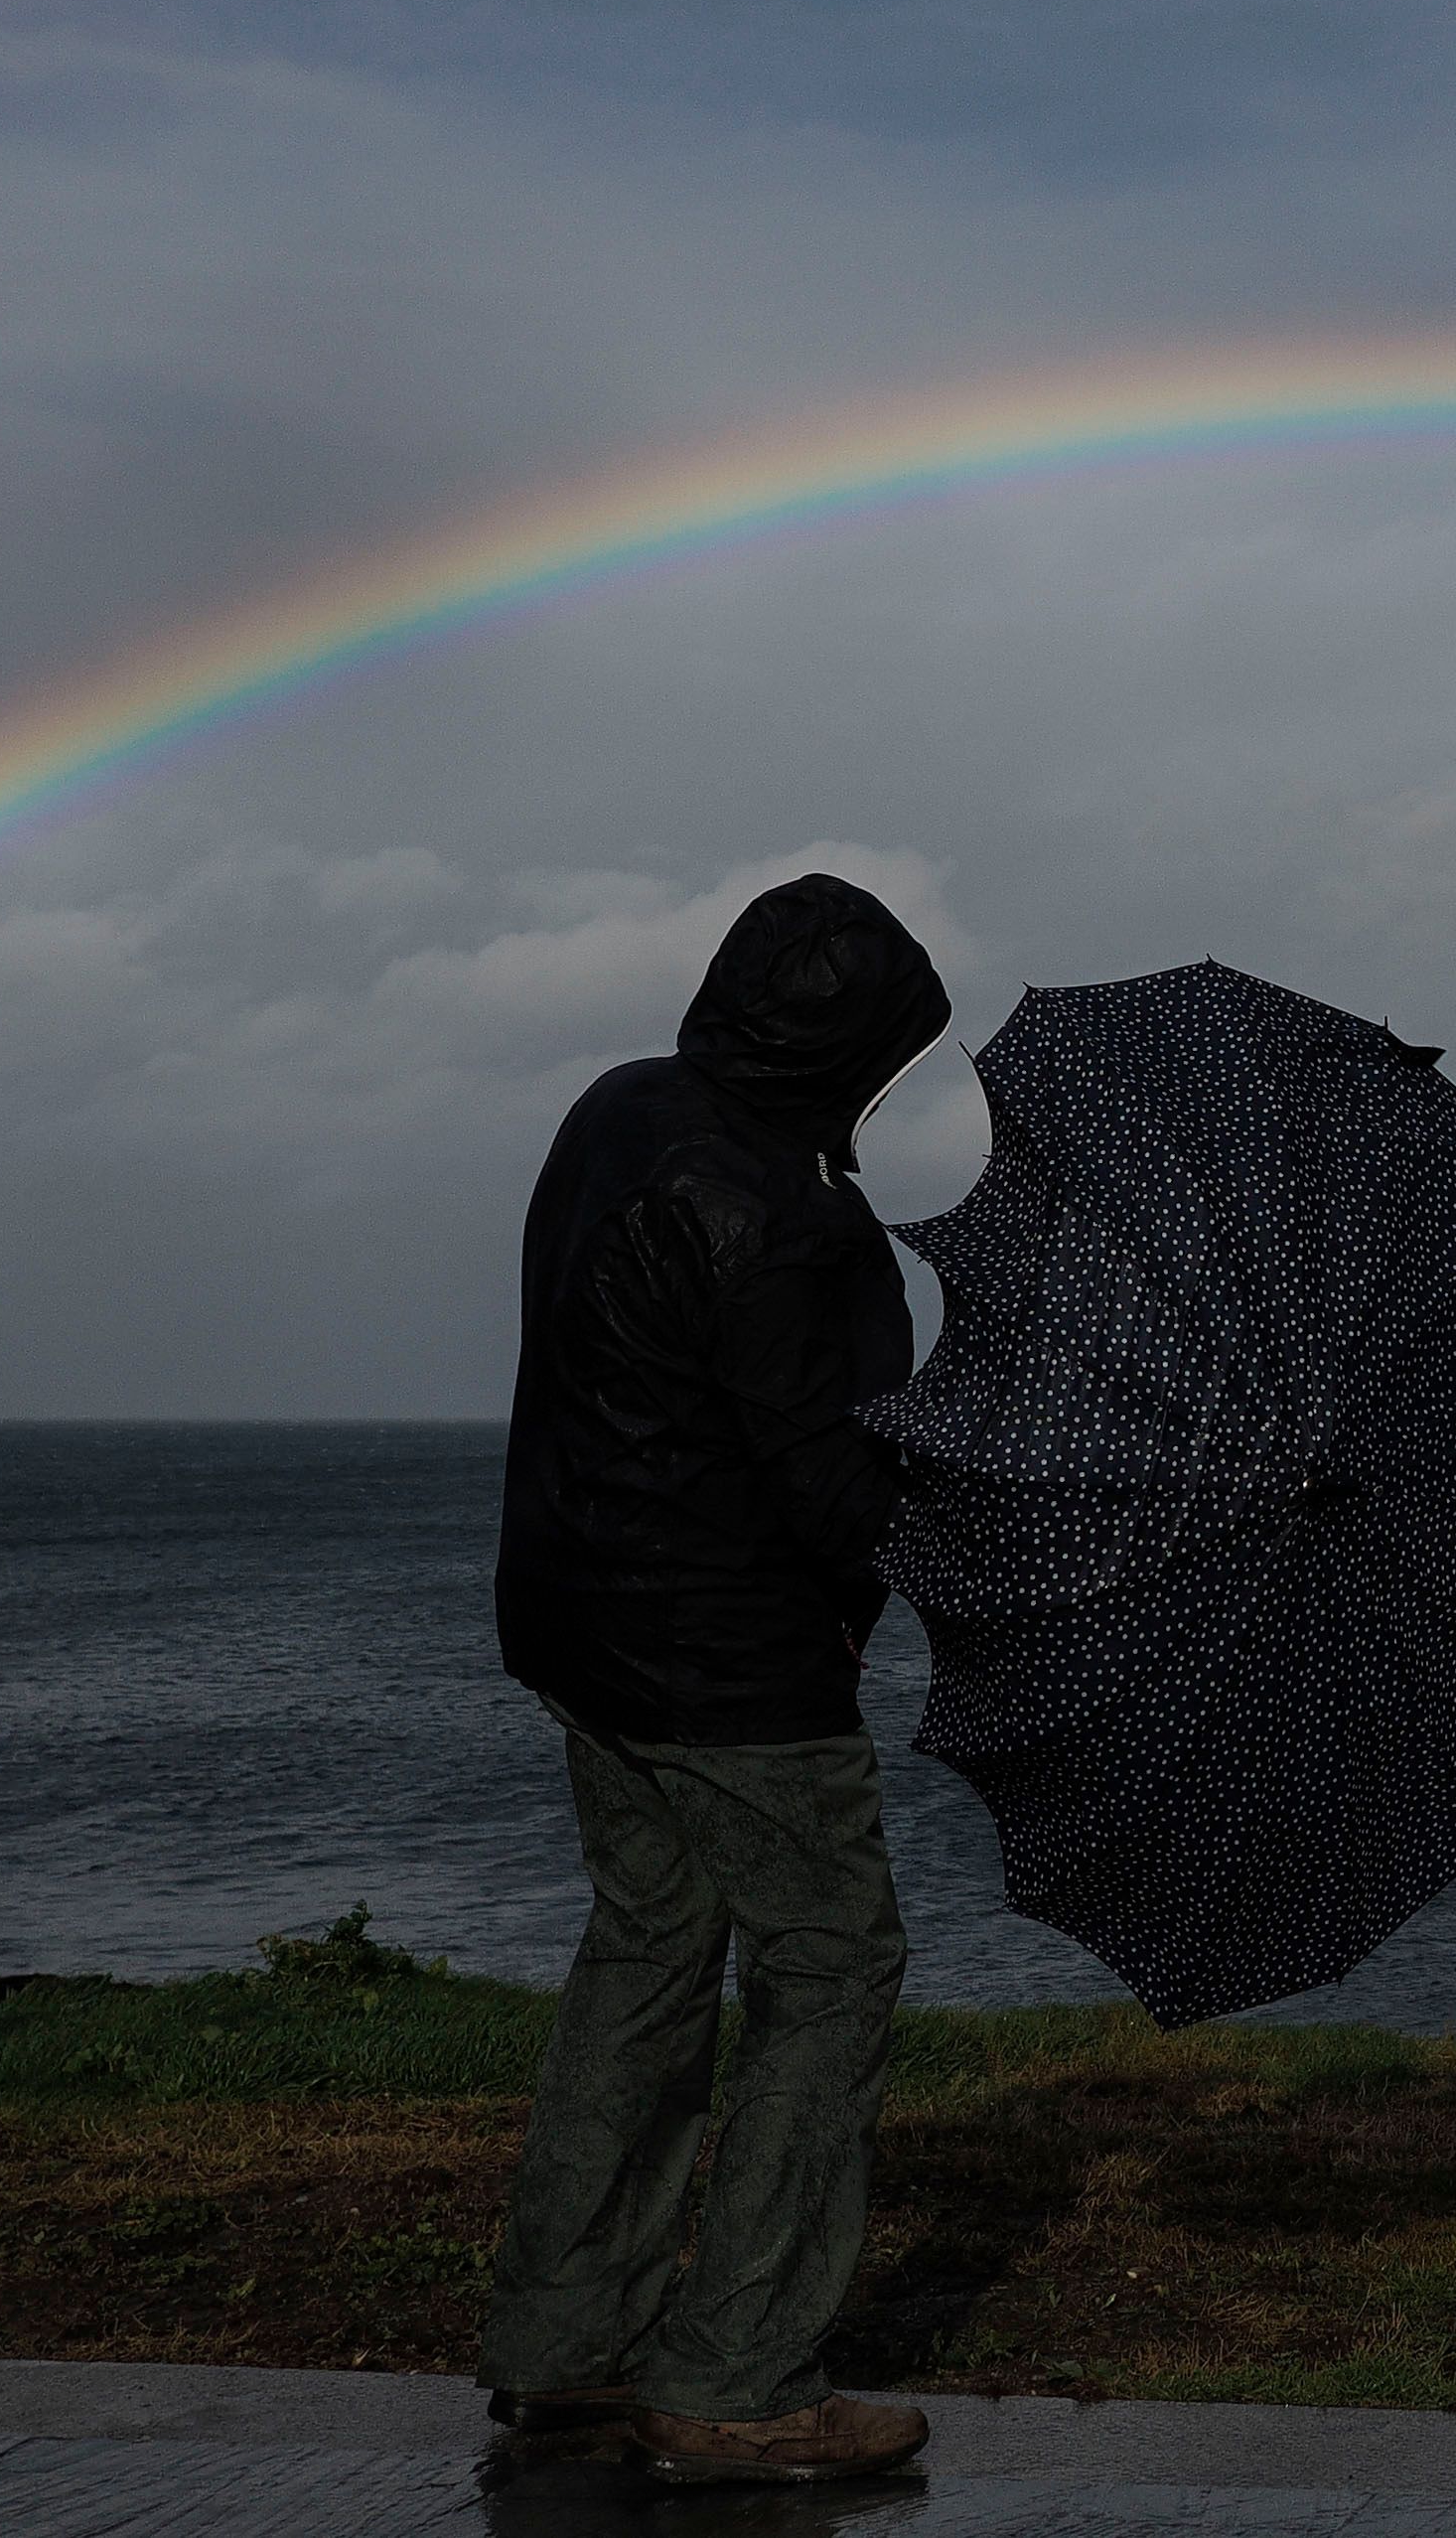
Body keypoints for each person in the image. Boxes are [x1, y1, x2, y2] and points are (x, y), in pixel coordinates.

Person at [475, 870, 953, 2485]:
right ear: (842, 1048)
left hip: (573, 1621)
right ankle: (737, 2373)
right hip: (730, 1660)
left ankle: (566, 2344)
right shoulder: (789, 1219)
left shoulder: (615, 1111)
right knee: (831, 1967)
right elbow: (829, 1491)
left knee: (653, 1940)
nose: (888, 1090)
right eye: (885, 1060)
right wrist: (930, 1511)